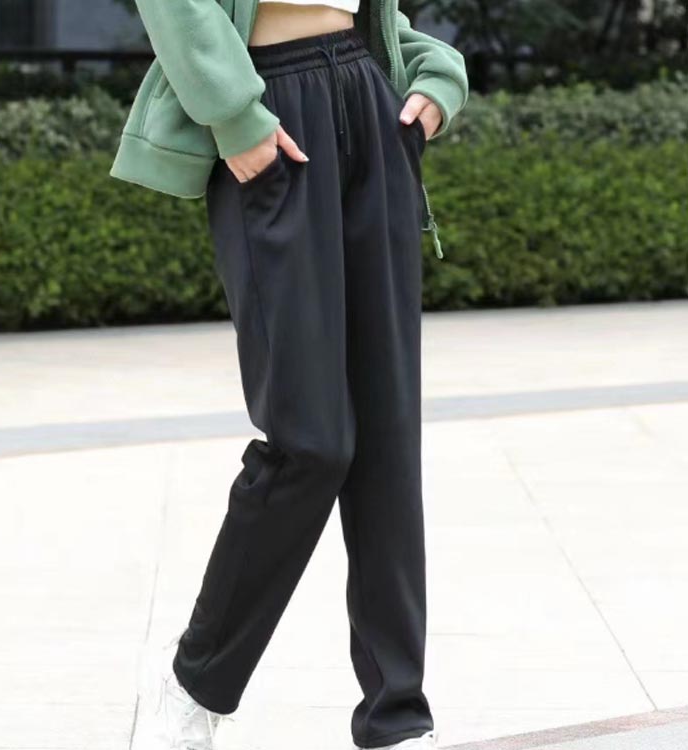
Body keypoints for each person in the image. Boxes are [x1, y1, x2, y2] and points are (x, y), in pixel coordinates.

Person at [111, 0, 469, 748]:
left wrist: (435, 75)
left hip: (367, 97)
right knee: (311, 441)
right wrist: (234, 115)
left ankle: (398, 717)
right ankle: (195, 679)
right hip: (270, 108)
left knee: (387, 437)